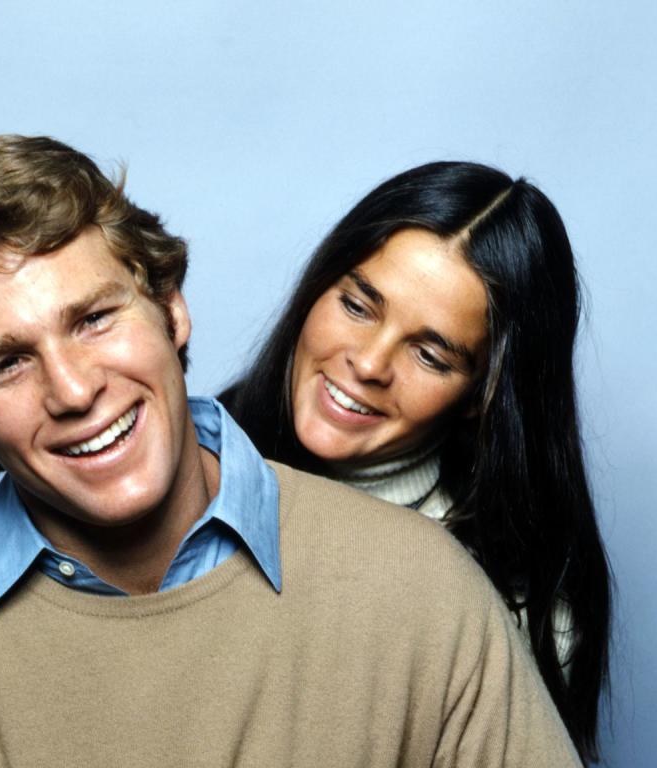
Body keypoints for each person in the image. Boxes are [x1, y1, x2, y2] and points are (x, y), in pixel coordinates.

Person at [0, 138, 582, 767]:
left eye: (94, 318)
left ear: (173, 312)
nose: (72, 390)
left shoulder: (435, 591)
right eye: (7, 362)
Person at [220, 161, 612, 763]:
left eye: (430, 355)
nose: (370, 363)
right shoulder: (177, 466)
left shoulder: (513, 602)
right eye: (357, 306)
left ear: (483, 397)